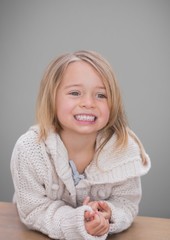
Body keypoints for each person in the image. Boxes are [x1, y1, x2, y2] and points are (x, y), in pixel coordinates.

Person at [10, 50, 151, 240]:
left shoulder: (124, 149)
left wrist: (108, 214)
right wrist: (77, 223)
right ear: (52, 98)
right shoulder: (29, 149)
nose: (88, 103)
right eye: (75, 93)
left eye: (101, 95)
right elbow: (33, 210)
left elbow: (126, 203)